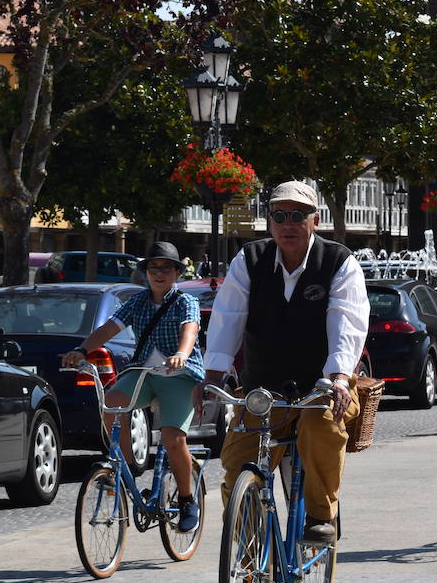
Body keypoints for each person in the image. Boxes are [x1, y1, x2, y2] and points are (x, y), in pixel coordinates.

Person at [198, 181, 368, 545]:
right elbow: (228, 316)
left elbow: (347, 322)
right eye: (279, 216)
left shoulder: (339, 261)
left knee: (319, 423)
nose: (288, 224)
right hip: (264, 386)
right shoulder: (250, 259)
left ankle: (322, 516)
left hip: (323, 386)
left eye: (298, 215)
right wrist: (211, 377)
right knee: (237, 461)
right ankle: (247, 550)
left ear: (315, 220)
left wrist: (338, 376)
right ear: (269, 222)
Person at [61, 241, 206, 532]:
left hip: (179, 376)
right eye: (154, 268)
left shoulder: (184, 302)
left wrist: (181, 354)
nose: (159, 273)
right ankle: (124, 468)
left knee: (172, 438)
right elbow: (107, 329)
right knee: (110, 404)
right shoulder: (137, 302)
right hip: (143, 373)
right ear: (146, 273)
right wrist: (82, 349)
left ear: (177, 273)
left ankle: (189, 501)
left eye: (166, 268)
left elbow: (189, 330)